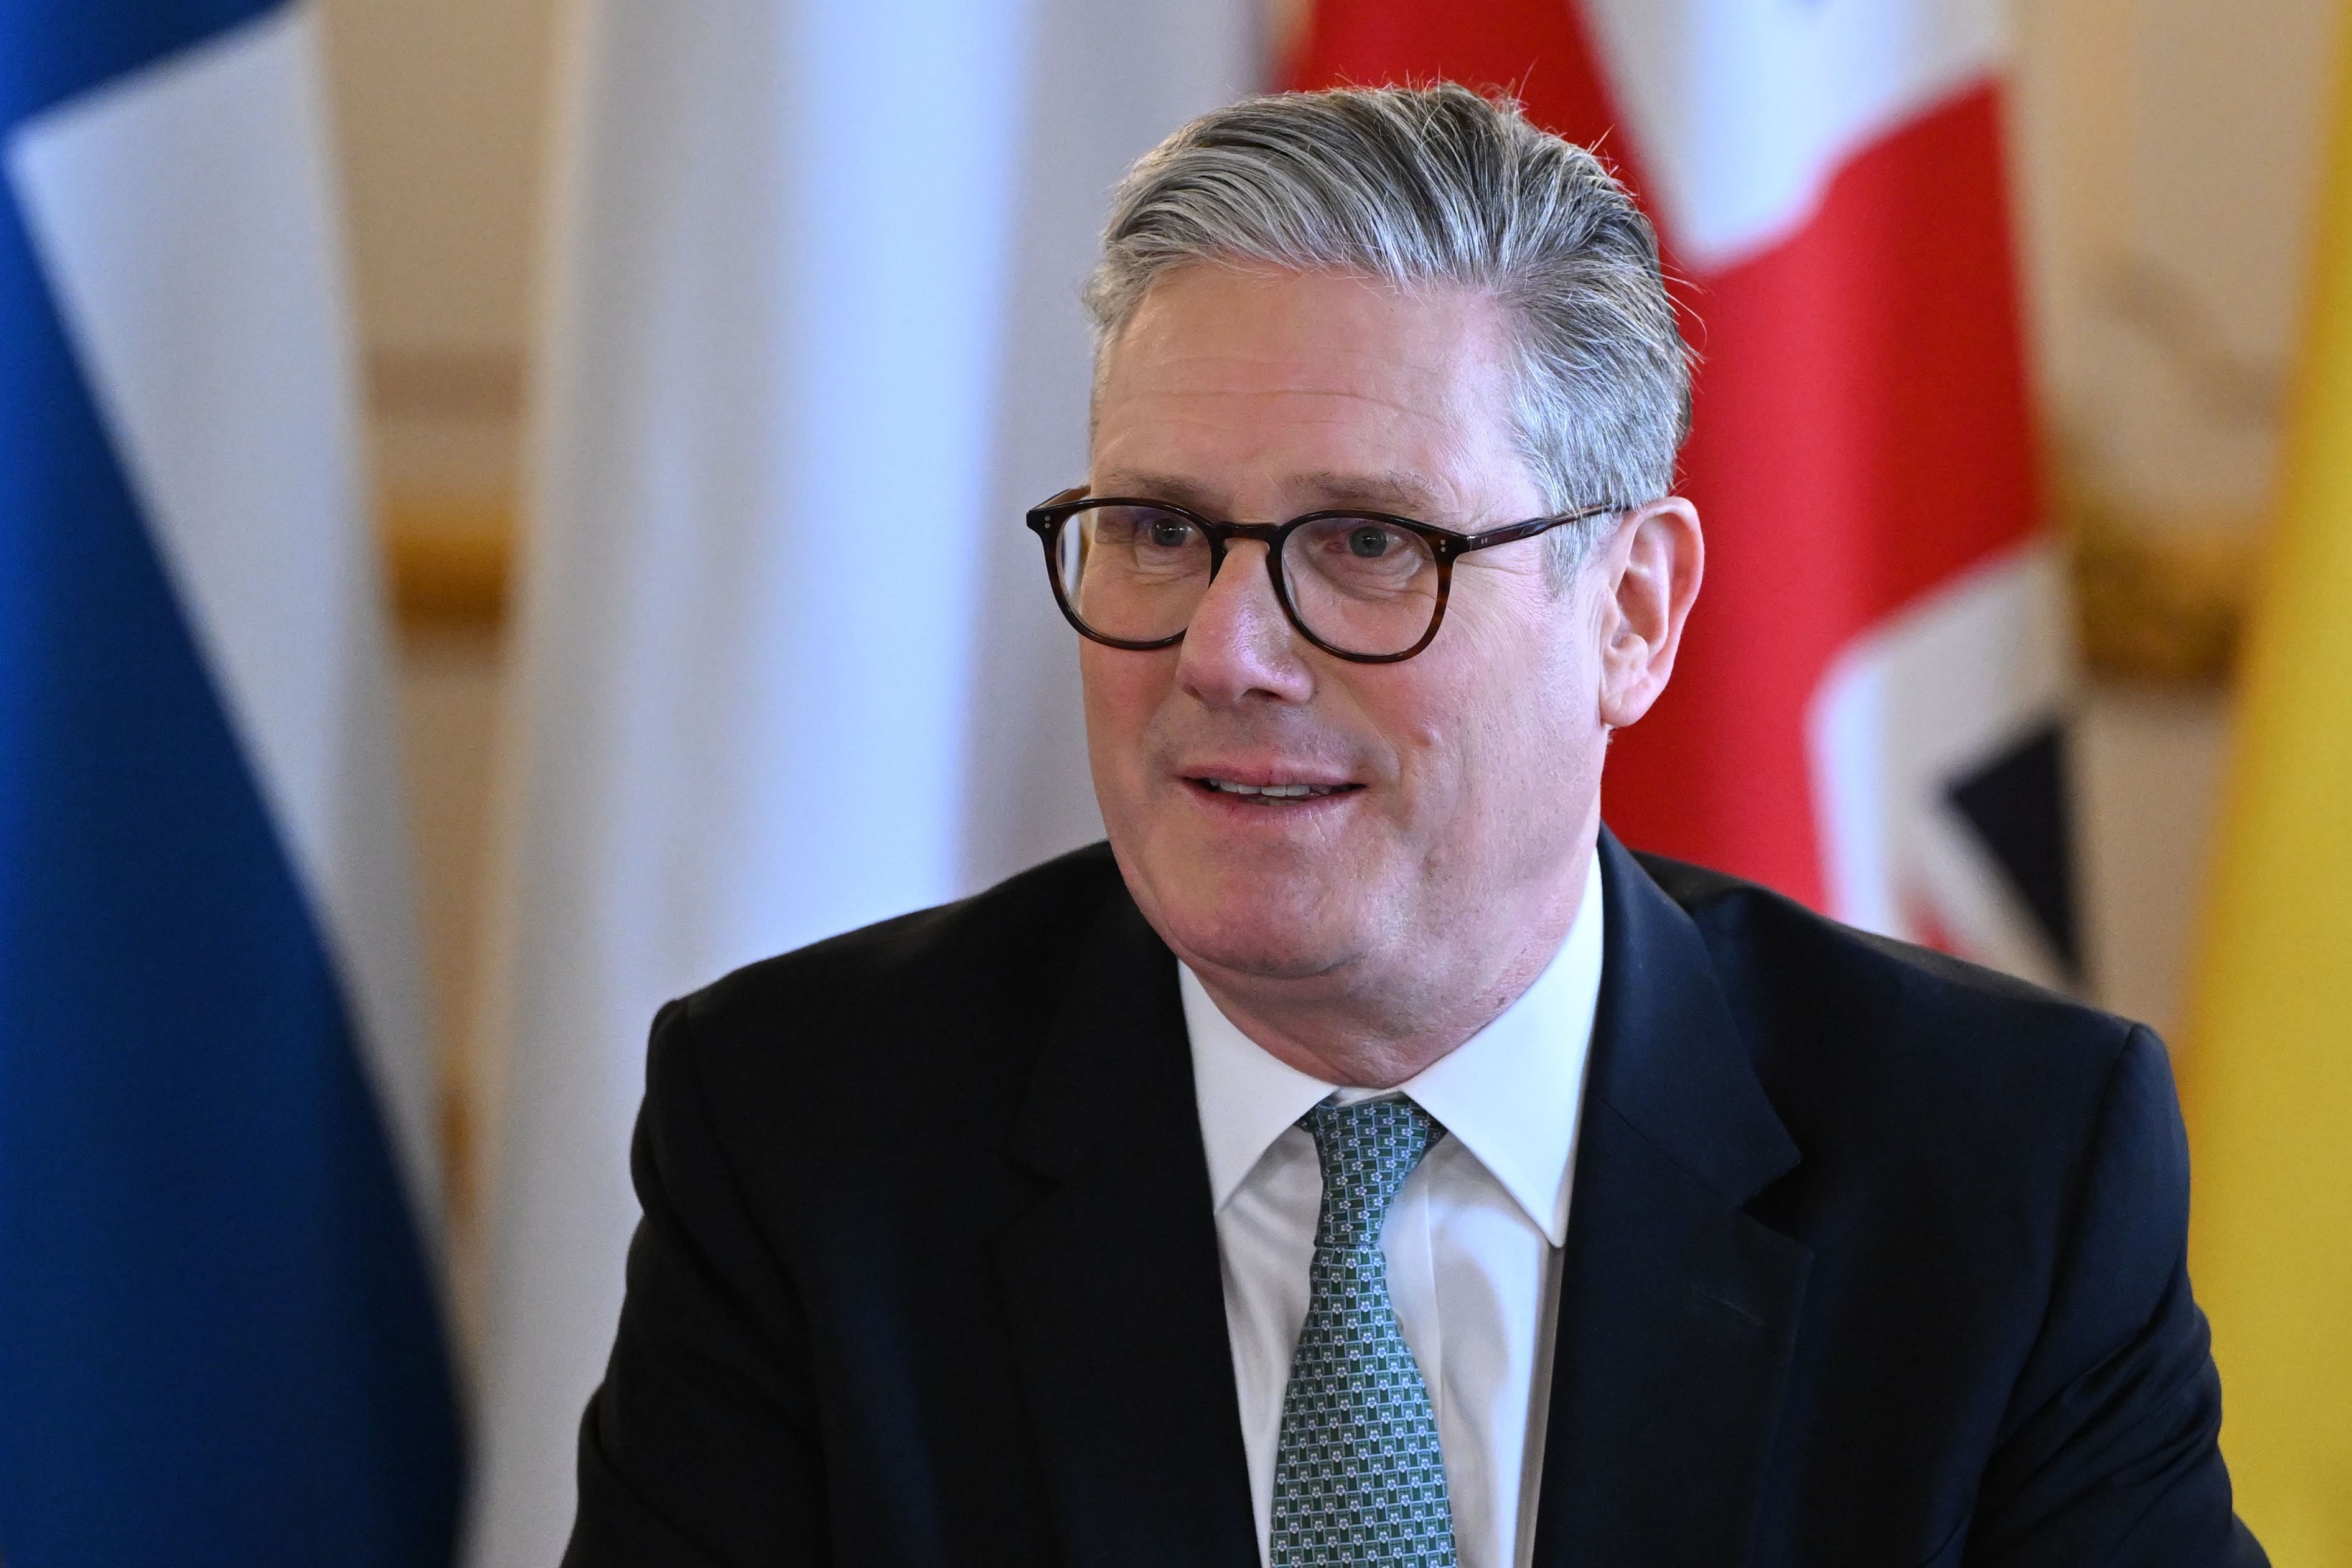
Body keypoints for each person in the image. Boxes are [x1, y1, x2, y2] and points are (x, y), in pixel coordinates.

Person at [561, 84, 2262, 1568]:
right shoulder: (809, 1135)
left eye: (1371, 542)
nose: (1222, 653)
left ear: (1632, 613)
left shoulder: (1999, 1167)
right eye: (1156, 531)